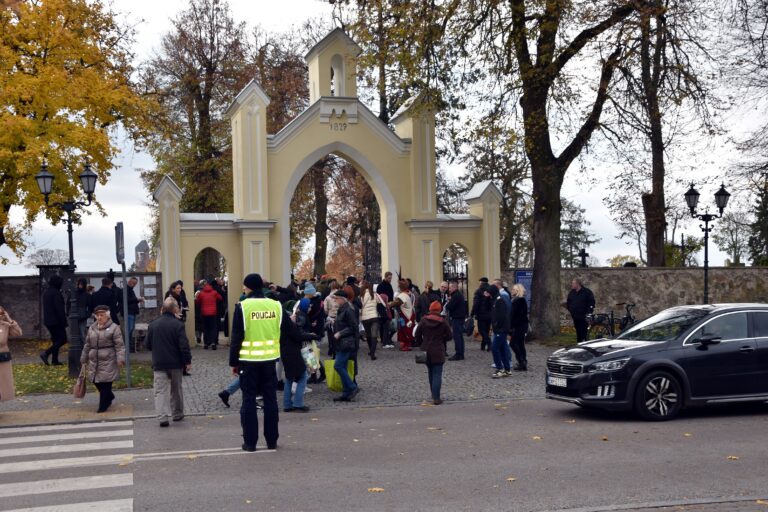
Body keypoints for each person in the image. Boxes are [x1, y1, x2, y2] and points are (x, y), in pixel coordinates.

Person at [229, 273, 284, 451]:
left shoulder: (243, 307)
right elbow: (286, 329)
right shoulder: (275, 305)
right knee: (270, 400)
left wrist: (233, 362)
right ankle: (272, 441)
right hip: (269, 361)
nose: (243, 289)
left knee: (249, 401)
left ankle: (250, 442)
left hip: (248, 362)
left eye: (244, 286)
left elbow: (236, 338)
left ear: (249, 287)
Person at [146, 297, 192, 427]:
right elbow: (184, 346)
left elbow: (148, 345)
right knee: (176, 389)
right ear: (175, 309)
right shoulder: (178, 325)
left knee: (159, 391)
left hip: (159, 363)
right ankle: (177, 414)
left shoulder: (153, 324)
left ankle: (162, 417)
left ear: (162, 310)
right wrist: (187, 361)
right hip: (175, 364)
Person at [81, 305, 125, 413]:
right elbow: (87, 344)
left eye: (102, 315)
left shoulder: (114, 328)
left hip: (108, 358)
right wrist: (84, 357)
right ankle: (109, 397)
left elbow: (119, 345)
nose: (99, 318)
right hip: (94, 359)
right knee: (95, 381)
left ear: (108, 316)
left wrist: (120, 358)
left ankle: (102, 406)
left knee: (105, 382)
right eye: (97, 315)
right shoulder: (92, 327)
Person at [282, 305, 319, 413]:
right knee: (303, 376)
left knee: (289, 378)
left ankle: (287, 405)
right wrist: (312, 336)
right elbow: (298, 336)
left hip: (285, 353)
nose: (295, 316)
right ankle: (298, 404)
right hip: (293, 353)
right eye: (293, 316)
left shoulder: (281, 327)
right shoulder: (289, 326)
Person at [415, 301, 451, 405]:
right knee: (437, 374)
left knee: (431, 372)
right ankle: (436, 397)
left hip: (426, 349)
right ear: (439, 310)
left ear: (430, 309)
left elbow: (417, 334)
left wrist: (421, 344)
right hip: (438, 350)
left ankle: (433, 394)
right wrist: (441, 338)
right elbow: (449, 336)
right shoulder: (443, 321)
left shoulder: (423, 320)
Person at [331, 290, 360, 402]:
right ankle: (346, 393)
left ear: (342, 299)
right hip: (342, 343)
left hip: (346, 343)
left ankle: (352, 387)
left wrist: (340, 333)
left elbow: (354, 327)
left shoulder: (349, 309)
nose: (335, 301)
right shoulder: (343, 308)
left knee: (338, 366)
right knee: (342, 366)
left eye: (337, 298)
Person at [41, 275, 68, 366]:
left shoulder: (47, 292)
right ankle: (46, 353)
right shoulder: (56, 293)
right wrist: (64, 322)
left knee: (56, 340)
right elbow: (59, 309)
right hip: (56, 321)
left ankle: (54, 360)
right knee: (63, 339)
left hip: (49, 321)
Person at [489, 285, 512, 378]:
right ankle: (507, 369)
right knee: (502, 349)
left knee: (494, 348)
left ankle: (500, 369)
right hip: (500, 329)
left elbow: (501, 316)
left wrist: (496, 325)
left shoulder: (499, 300)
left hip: (501, 329)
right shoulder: (496, 300)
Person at [0, 306, 22, 402]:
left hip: (2, 358)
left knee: (2, 385)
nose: (0, 316)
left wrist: (9, 320)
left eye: (1, 313)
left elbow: (18, 333)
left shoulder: (5, 325)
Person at [195, 279, 223, 350]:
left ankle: (206, 344)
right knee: (213, 328)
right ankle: (213, 343)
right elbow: (220, 298)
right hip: (213, 313)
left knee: (205, 328)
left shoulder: (201, 293)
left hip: (204, 313)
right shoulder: (214, 292)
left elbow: (197, 301)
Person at [565, 278, 595, 343]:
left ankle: (585, 344)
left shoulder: (587, 292)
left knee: (584, 332)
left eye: (573, 283)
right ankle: (579, 344)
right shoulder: (572, 292)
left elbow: (591, 303)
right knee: (578, 332)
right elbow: (568, 302)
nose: (572, 285)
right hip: (575, 316)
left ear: (577, 284)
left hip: (584, 316)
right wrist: (570, 309)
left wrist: (589, 312)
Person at [389, 280, 416, 351]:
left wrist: (387, 304)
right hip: (409, 315)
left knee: (404, 331)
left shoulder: (402, 296)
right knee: (407, 330)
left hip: (405, 316)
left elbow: (394, 304)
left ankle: (405, 345)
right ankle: (407, 344)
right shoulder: (408, 293)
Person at [444, 281, 468, 361]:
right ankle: (461, 353)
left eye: (450, 288)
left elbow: (450, 306)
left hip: (457, 318)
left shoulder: (456, 296)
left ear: (454, 287)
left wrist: (448, 302)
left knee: (457, 336)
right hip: (459, 317)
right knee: (459, 336)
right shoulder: (457, 295)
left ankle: (458, 354)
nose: (449, 289)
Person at [510, 283, 529, 371]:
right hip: (519, 325)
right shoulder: (515, 300)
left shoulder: (520, 301)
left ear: (517, 291)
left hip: (520, 326)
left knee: (513, 343)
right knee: (520, 344)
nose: (512, 291)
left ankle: (521, 361)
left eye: (513, 289)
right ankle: (523, 362)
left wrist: (512, 325)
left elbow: (520, 315)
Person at [471, 277, 493, 351]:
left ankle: (489, 342)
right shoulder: (491, 290)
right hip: (490, 314)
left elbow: (476, 304)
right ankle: (483, 346)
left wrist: (472, 313)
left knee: (481, 330)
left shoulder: (479, 291)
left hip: (481, 314)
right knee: (486, 330)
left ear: (481, 282)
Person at [360, 280, 380, 360]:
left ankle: (370, 350)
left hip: (365, 318)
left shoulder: (361, 296)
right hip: (374, 316)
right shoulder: (374, 295)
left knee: (368, 335)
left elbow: (360, 306)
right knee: (374, 335)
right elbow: (379, 303)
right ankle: (372, 353)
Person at [126, 277, 144, 352]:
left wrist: (137, 301)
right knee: (129, 330)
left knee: (131, 330)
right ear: (129, 281)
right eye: (133, 283)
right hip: (129, 312)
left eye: (135, 283)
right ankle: (129, 348)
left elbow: (131, 301)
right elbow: (127, 300)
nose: (134, 285)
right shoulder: (126, 290)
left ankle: (130, 347)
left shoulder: (130, 290)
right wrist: (137, 299)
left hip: (132, 312)